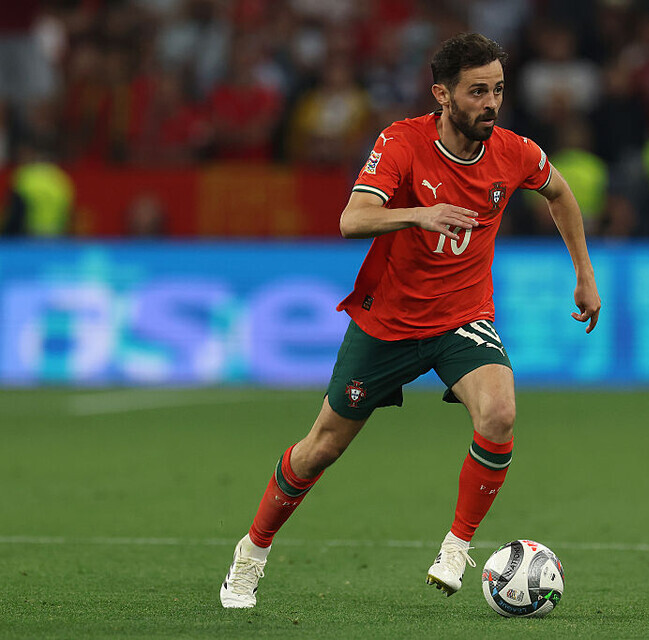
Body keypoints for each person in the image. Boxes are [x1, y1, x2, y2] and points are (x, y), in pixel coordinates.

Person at [219, 32, 601, 609]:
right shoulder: (402, 142)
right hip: (388, 325)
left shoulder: (515, 151)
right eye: (477, 92)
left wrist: (585, 274)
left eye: (497, 89)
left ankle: (456, 546)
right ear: (442, 95)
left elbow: (561, 193)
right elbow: (352, 220)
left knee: (499, 413)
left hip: (462, 318)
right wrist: (420, 215)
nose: (491, 103)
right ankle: (250, 554)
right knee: (320, 448)